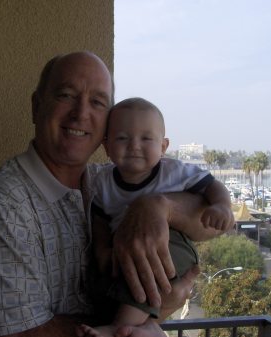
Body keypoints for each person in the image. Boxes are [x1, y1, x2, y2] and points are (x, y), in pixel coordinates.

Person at [0, 51, 232, 337]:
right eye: (66, 95)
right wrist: (158, 307)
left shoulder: (105, 181)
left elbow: (211, 225)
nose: (81, 113)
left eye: (98, 102)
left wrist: (158, 207)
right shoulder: (1, 204)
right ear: (36, 106)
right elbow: (17, 334)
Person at [76, 98, 234, 337]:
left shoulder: (174, 171)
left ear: (163, 146)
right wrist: (102, 250)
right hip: (126, 248)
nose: (134, 146)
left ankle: (118, 328)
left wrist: (222, 206)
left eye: (146, 138)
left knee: (148, 270)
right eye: (122, 138)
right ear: (106, 146)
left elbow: (212, 184)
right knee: (106, 280)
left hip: (173, 244)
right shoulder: (103, 182)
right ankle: (146, 326)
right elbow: (99, 221)